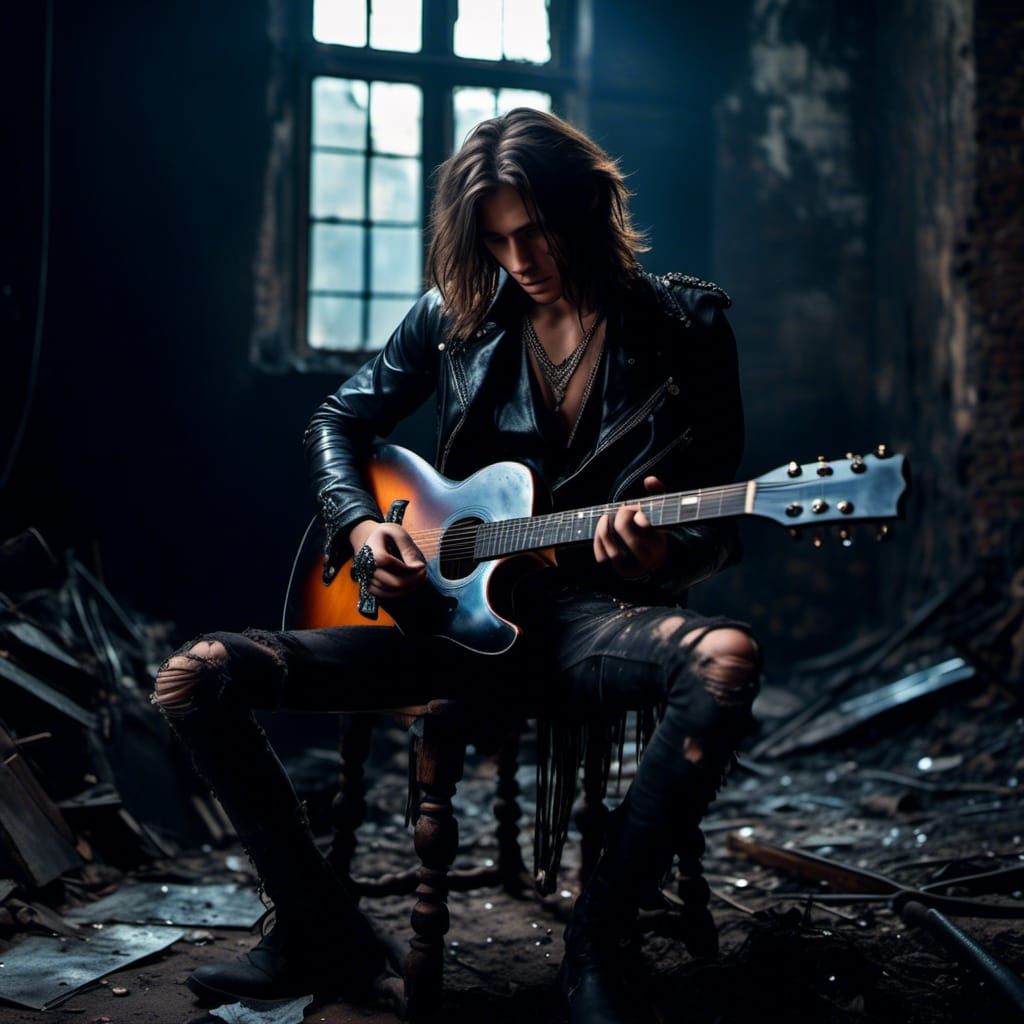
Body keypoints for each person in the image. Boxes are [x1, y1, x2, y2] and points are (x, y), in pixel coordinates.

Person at [152, 108, 761, 1023]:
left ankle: (598, 941)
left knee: (726, 660)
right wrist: (363, 532)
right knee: (191, 680)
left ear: (590, 207)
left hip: (585, 619)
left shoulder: (685, 326)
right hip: (435, 620)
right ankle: (318, 927)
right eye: (497, 239)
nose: (519, 259)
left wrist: (668, 544)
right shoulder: (455, 317)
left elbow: (722, 519)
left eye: (537, 231)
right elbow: (334, 424)